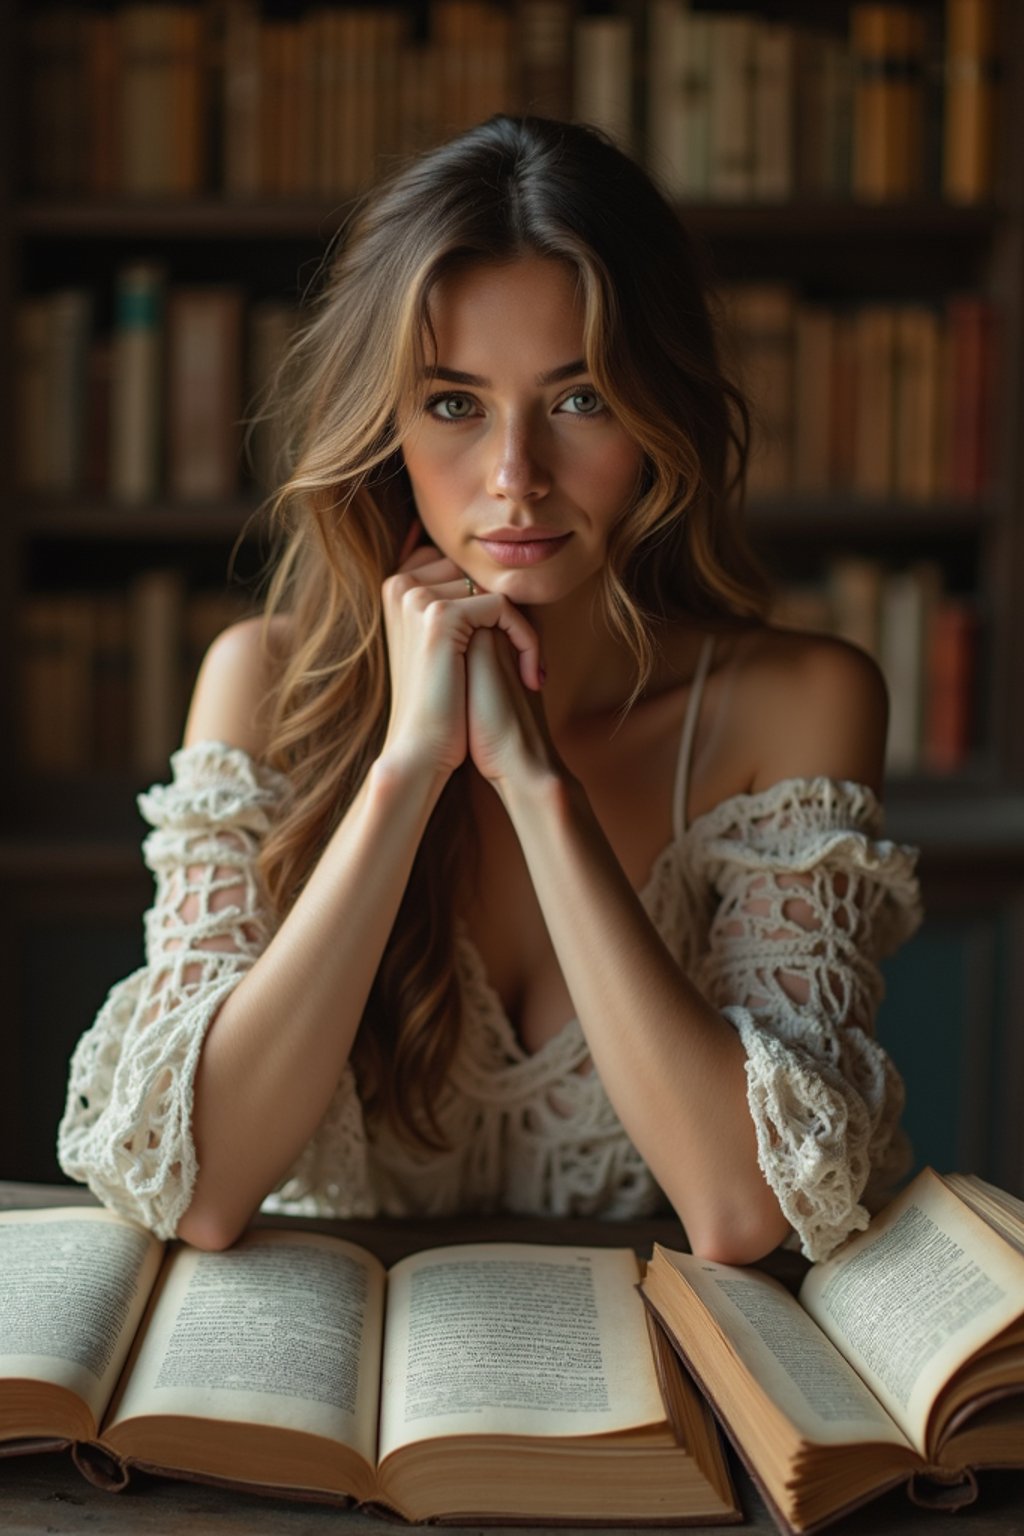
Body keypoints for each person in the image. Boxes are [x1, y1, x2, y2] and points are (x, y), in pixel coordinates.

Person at [58, 115, 921, 1264]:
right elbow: (197, 1187)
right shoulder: (261, 685)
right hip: (313, 1411)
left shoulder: (792, 704)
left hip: (652, 1408)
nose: (515, 479)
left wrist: (534, 783)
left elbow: (745, 1207)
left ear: (660, 416)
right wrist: (406, 775)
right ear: (386, 430)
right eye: (455, 404)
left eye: (580, 400)